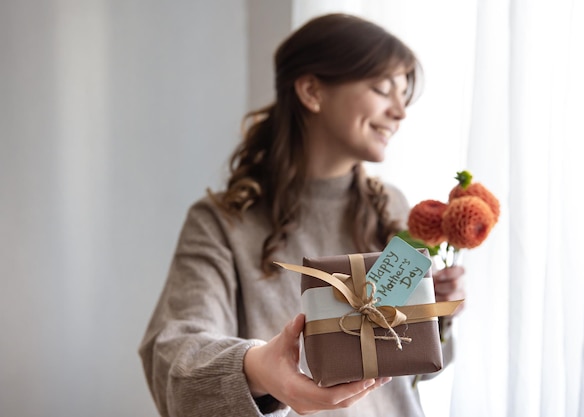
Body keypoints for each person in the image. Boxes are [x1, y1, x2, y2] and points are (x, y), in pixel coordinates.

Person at [139, 13, 465, 417]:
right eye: (383, 89)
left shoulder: (394, 209)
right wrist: (260, 369)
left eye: (403, 93)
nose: (400, 111)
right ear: (312, 90)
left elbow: (422, 370)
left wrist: (436, 312)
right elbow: (173, 356)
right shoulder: (220, 223)